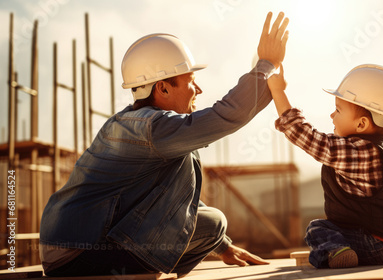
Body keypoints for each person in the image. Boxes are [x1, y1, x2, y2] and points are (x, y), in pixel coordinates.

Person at [39, 12, 289, 277]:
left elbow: (176, 199)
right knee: (216, 223)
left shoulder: (139, 125)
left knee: (212, 226)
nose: (198, 90)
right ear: (163, 89)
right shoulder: (153, 130)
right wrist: (266, 64)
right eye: (191, 81)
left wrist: (222, 246)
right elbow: (224, 116)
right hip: (82, 253)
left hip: (70, 248)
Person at [267, 63, 383, 268]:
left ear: (361, 124)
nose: (332, 115)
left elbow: (307, 137)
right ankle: (342, 252)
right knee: (329, 228)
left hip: (373, 243)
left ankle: (338, 253)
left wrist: (278, 92)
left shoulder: (359, 152)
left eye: (338, 110)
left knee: (317, 229)